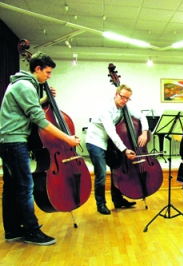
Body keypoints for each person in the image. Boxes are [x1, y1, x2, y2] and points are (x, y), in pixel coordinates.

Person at [0, 52, 80, 245]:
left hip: (9, 141)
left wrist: (45, 100)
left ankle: (12, 230)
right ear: (37, 69)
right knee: (26, 188)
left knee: (12, 187)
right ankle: (31, 230)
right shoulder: (26, 86)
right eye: (48, 72)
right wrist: (67, 138)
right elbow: (39, 119)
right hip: (14, 141)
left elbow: (29, 108)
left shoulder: (21, 84)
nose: (49, 76)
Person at [85, 84, 149, 215]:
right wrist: (125, 150)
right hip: (95, 141)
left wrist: (144, 132)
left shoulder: (125, 106)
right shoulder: (105, 108)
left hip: (109, 142)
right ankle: (101, 204)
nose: (125, 100)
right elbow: (111, 132)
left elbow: (142, 116)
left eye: (128, 98)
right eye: (123, 97)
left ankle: (118, 200)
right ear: (116, 94)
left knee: (117, 169)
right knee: (101, 174)